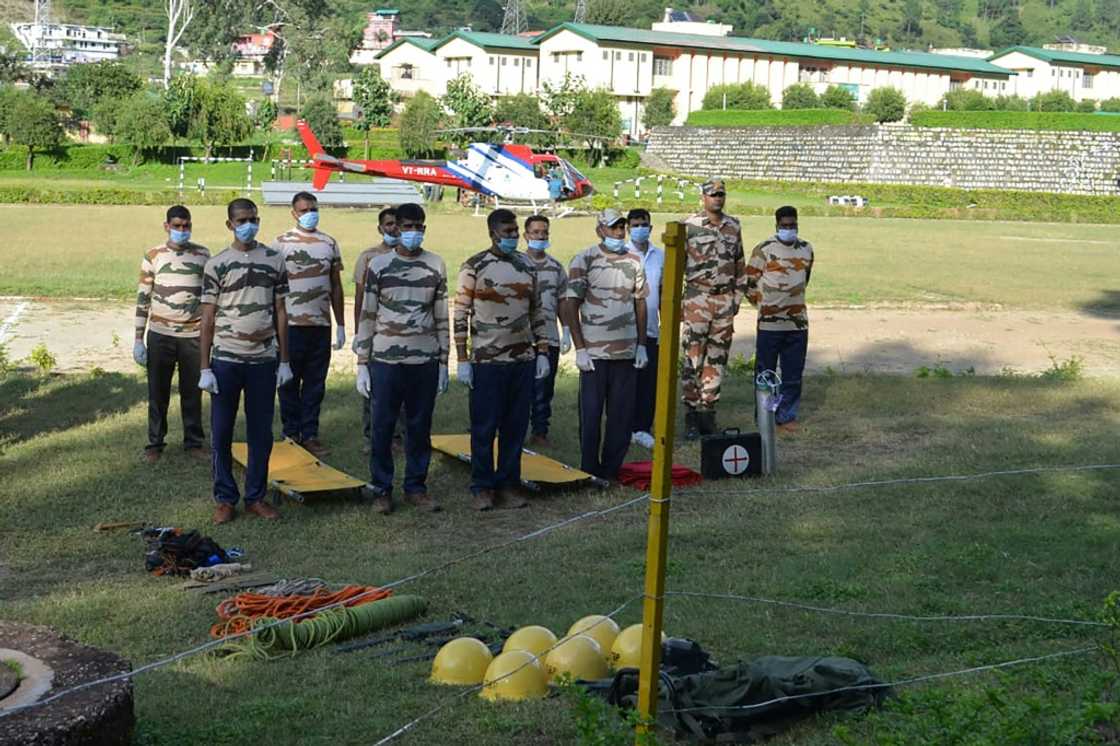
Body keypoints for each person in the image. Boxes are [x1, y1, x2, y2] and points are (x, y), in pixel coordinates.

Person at [199, 198, 292, 525]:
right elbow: (207, 318)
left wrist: (284, 360)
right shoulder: (217, 264)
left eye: (253, 218)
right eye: (242, 219)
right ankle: (225, 498)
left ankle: (256, 497)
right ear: (230, 224)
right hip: (226, 359)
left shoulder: (274, 259)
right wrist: (204, 367)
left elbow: (281, 311)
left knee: (261, 433)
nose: (248, 224)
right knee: (222, 431)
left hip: (263, 361)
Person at [354, 203, 449, 514]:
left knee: (419, 427)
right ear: (394, 228)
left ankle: (416, 487)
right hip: (385, 360)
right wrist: (362, 363)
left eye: (419, 227)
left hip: (424, 360)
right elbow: (367, 314)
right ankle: (382, 489)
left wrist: (444, 361)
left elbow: (441, 315)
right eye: (406, 226)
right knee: (382, 426)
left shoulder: (436, 264)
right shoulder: (379, 265)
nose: (412, 233)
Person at [454, 208, 551, 511]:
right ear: (493, 233)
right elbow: (460, 312)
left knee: (515, 427)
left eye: (514, 231)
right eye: (507, 232)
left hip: (521, 359)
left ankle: (509, 483)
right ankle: (482, 486)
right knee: (484, 427)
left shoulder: (526, 266)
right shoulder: (475, 266)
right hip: (487, 361)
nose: (512, 236)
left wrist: (543, 351)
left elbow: (537, 311)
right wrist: (462, 357)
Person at [560, 208, 648, 481]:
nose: (620, 232)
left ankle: (610, 470)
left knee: (621, 417)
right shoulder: (584, 259)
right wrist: (580, 348)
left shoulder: (634, 260)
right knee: (591, 415)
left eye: (622, 227)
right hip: (595, 353)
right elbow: (569, 304)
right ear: (600, 230)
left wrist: (642, 344)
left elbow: (640, 303)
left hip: (625, 352)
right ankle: (589, 468)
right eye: (614, 228)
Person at [133, 205, 211, 464]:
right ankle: (155, 443)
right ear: (166, 226)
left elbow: (211, 297)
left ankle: (194, 442)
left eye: (186, 226)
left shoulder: (203, 255)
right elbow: (144, 297)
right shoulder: (153, 255)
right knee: (158, 392)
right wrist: (138, 338)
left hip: (193, 335)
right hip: (160, 335)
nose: (181, 230)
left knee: (192, 392)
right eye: (176, 226)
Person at [273, 191, 345, 457]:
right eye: (303, 210)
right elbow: (272, 288)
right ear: (294, 213)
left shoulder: (329, 242)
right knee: (288, 382)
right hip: (290, 326)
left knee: (316, 383)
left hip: (320, 326)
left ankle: (311, 434)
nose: (309, 213)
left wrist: (340, 324)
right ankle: (291, 433)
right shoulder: (280, 243)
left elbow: (336, 285)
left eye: (313, 208)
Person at [680, 178, 747, 440]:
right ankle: (691, 415)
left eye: (721, 194)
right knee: (693, 359)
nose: (718, 198)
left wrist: (737, 298)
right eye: (713, 194)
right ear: (703, 197)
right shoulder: (690, 226)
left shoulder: (733, 226)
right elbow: (677, 265)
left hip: (724, 302)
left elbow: (739, 264)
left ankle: (708, 413)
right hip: (697, 299)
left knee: (717, 360)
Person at [747, 206, 814, 433]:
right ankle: (765, 415)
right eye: (784, 226)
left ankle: (786, 415)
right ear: (776, 226)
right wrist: (765, 306)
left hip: (797, 323)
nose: (789, 229)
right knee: (766, 374)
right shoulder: (764, 250)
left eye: (792, 225)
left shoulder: (806, 249)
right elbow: (748, 282)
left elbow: (805, 279)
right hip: (769, 325)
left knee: (793, 374)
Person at [352, 207, 400, 453]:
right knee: (375, 388)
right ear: (380, 228)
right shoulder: (369, 257)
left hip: (404, 336)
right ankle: (372, 437)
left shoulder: (416, 259)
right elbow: (360, 297)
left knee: (402, 390)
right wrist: (358, 333)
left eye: (397, 223)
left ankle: (399, 437)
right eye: (388, 224)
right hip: (376, 334)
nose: (393, 228)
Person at [522, 214, 570, 447]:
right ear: (525, 235)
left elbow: (563, 301)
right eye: (536, 232)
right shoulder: (516, 263)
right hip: (521, 338)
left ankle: (540, 431)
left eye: (544, 232)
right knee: (517, 388)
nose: (540, 236)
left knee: (543, 389)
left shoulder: (555, 267)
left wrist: (567, 329)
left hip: (549, 336)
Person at [626, 209, 663, 451]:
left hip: (650, 330)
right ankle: (625, 427)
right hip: (625, 332)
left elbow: (663, 292)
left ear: (650, 227)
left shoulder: (660, 256)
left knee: (648, 384)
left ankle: (642, 428)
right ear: (629, 228)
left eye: (644, 224)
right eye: (636, 224)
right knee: (626, 383)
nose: (641, 228)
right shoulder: (621, 254)